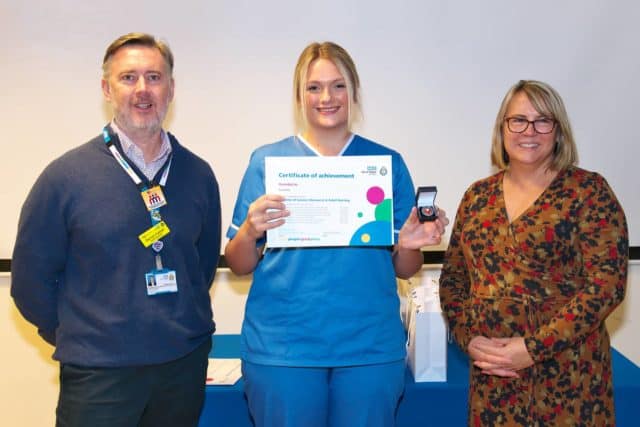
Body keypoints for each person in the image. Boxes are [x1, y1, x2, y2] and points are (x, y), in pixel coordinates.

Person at [224, 41, 449, 427]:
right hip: (284, 349)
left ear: (355, 93)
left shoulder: (386, 164)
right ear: (300, 97)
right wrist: (248, 230)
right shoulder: (267, 162)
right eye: (314, 87)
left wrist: (410, 245)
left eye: (338, 86)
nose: (326, 97)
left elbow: (405, 268)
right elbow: (239, 264)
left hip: (368, 348)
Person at [11, 33, 221, 427]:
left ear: (171, 89)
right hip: (99, 375)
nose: (143, 89)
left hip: (181, 369)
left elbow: (202, 266)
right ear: (107, 88)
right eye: (129, 78)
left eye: (154, 77)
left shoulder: (198, 174)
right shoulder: (65, 177)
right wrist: (81, 333)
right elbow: (29, 281)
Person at [439, 80, 628, 426]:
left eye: (543, 121)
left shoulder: (589, 192)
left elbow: (607, 286)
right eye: (519, 120)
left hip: (568, 382)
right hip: (494, 380)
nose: (530, 131)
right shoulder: (477, 197)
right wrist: (470, 338)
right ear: (503, 128)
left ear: (558, 131)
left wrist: (532, 349)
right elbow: (453, 279)